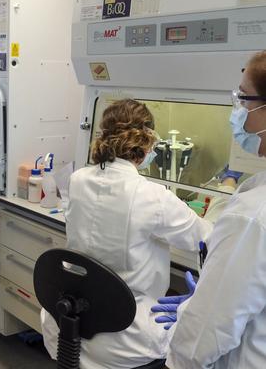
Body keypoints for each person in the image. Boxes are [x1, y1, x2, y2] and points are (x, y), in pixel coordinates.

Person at [40, 99, 212, 368]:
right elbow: (203, 238)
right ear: (145, 144)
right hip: (127, 341)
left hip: (70, 327)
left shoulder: (78, 180)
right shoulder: (152, 196)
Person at [154, 51, 266, 368]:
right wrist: (207, 300)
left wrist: (201, 310)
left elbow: (202, 339)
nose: (238, 111)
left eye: (244, 100)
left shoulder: (252, 215)